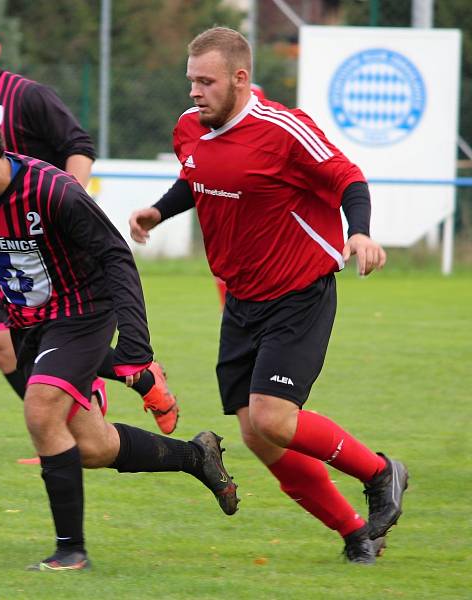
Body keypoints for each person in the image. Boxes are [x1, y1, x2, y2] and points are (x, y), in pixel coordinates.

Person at [128, 27, 407, 565]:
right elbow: (200, 176)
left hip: (298, 292)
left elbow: (348, 177)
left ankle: (381, 472)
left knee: (275, 417)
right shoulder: (189, 128)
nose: (194, 92)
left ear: (240, 78)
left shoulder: (282, 129)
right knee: (259, 437)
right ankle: (356, 535)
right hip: (242, 300)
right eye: (190, 81)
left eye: (205, 81)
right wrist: (158, 211)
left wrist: (362, 231)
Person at [0, 102, 238, 571]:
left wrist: (135, 347)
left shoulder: (53, 192)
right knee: (92, 447)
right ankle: (197, 456)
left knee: (40, 409)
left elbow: (117, 259)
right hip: (28, 322)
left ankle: (71, 552)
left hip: (82, 312)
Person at [0, 12, 178, 434]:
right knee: (2, 346)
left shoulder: (28, 96)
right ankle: (64, 417)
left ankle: (62, 418)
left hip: (44, 244)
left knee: (26, 337)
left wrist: (67, 199)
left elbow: (79, 145)